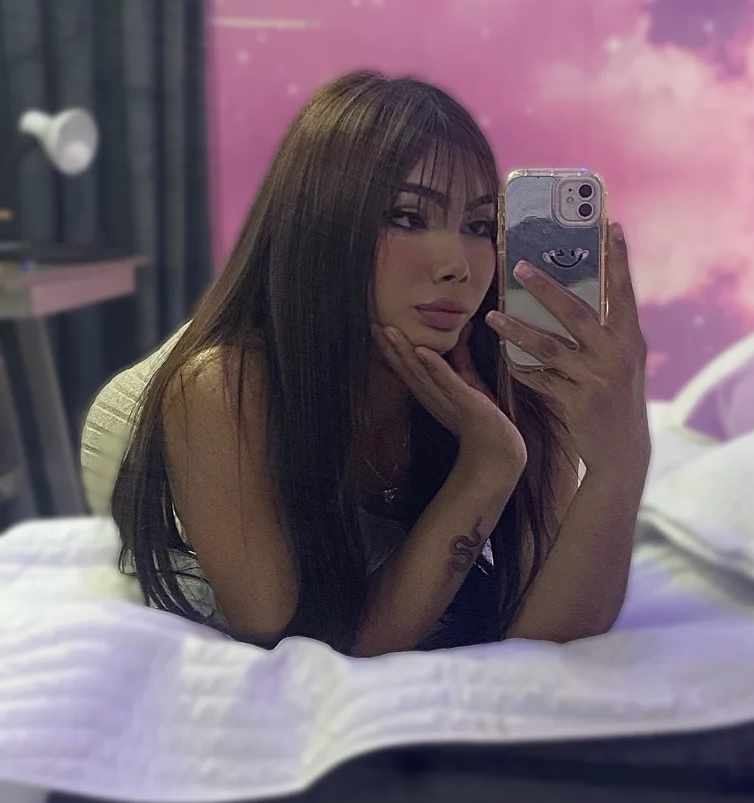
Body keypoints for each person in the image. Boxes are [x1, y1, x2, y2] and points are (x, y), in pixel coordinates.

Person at [86, 70, 650, 658]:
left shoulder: (513, 375)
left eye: (479, 226)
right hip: (147, 425)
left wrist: (621, 461)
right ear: (325, 223)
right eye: (408, 217)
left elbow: (546, 636)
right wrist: (488, 464)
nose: (457, 265)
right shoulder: (222, 387)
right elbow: (303, 648)